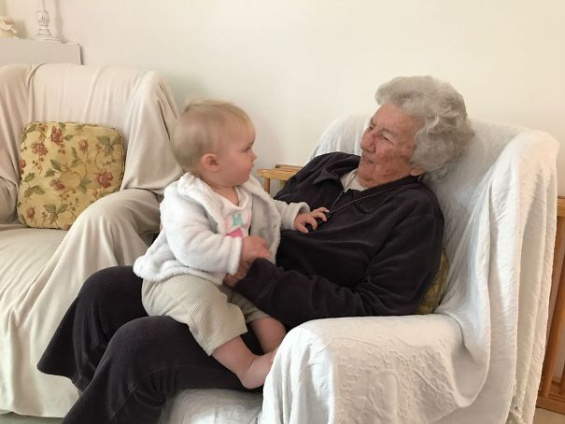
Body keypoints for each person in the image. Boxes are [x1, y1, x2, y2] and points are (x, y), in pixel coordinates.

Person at [38, 75, 474, 424]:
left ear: (419, 163)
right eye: (371, 126)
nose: (366, 141)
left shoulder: (414, 214)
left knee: (141, 344)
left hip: (280, 323)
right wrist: (205, 243)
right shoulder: (330, 166)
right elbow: (258, 208)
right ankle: (104, 403)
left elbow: (376, 311)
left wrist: (254, 277)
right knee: (105, 289)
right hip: (227, 278)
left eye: (386, 138)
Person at [134, 100, 328, 389]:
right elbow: (190, 246)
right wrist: (238, 249)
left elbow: (269, 206)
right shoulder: (183, 198)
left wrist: (294, 215)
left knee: (263, 303)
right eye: (246, 149)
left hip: (224, 276)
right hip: (176, 278)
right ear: (212, 162)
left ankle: (281, 357)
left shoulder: (244, 186)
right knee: (205, 303)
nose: (254, 156)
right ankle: (246, 367)